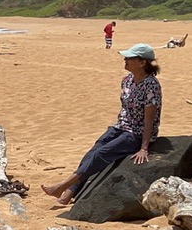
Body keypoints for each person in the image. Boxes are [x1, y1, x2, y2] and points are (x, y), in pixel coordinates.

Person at [41, 43, 162, 205]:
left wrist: (144, 147)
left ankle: (64, 186)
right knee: (92, 152)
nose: (125, 60)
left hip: (136, 133)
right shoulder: (126, 80)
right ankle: (69, 193)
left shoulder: (151, 85)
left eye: (129, 58)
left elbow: (149, 119)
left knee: (101, 154)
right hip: (120, 126)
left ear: (142, 63)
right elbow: (125, 109)